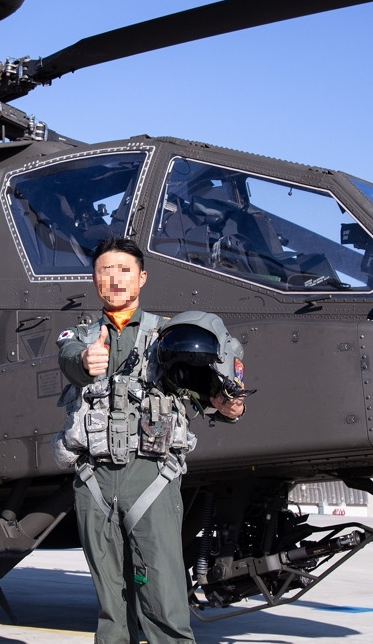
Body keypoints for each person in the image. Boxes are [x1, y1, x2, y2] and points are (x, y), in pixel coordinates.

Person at [54, 237, 246, 644]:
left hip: (152, 477)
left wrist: (228, 406)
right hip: (94, 479)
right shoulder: (80, 336)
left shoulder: (171, 336)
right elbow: (70, 359)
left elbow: (205, 394)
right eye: (105, 270)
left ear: (141, 278)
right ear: (94, 279)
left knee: (164, 597)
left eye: (124, 270)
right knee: (111, 605)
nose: (115, 279)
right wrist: (86, 361)